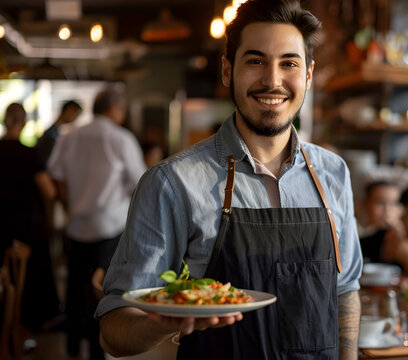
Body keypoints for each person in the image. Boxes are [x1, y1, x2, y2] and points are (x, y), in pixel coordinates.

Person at [96, 1, 363, 359]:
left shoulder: (333, 173)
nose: (272, 80)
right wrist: (163, 322)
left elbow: (345, 290)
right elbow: (113, 328)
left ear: (309, 75)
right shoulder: (171, 183)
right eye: (255, 61)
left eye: (289, 63)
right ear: (227, 70)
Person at [48, 87, 146, 359]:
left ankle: (71, 343)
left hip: (76, 224)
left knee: (75, 286)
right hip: (108, 226)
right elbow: (140, 182)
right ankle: (95, 349)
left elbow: (56, 175)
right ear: (115, 109)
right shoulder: (120, 138)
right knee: (101, 290)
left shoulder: (70, 136)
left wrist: (69, 205)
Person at [0, 103, 60, 329]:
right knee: (33, 271)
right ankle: (35, 321)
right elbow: (49, 190)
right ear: (24, 122)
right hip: (29, 221)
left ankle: (8, 321)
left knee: (7, 272)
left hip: (4, 218)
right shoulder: (29, 153)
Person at [35, 100, 82, 164]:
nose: (75, 118)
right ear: (69, 110)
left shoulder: (53, 132)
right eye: (76, 115)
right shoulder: (51, 135)